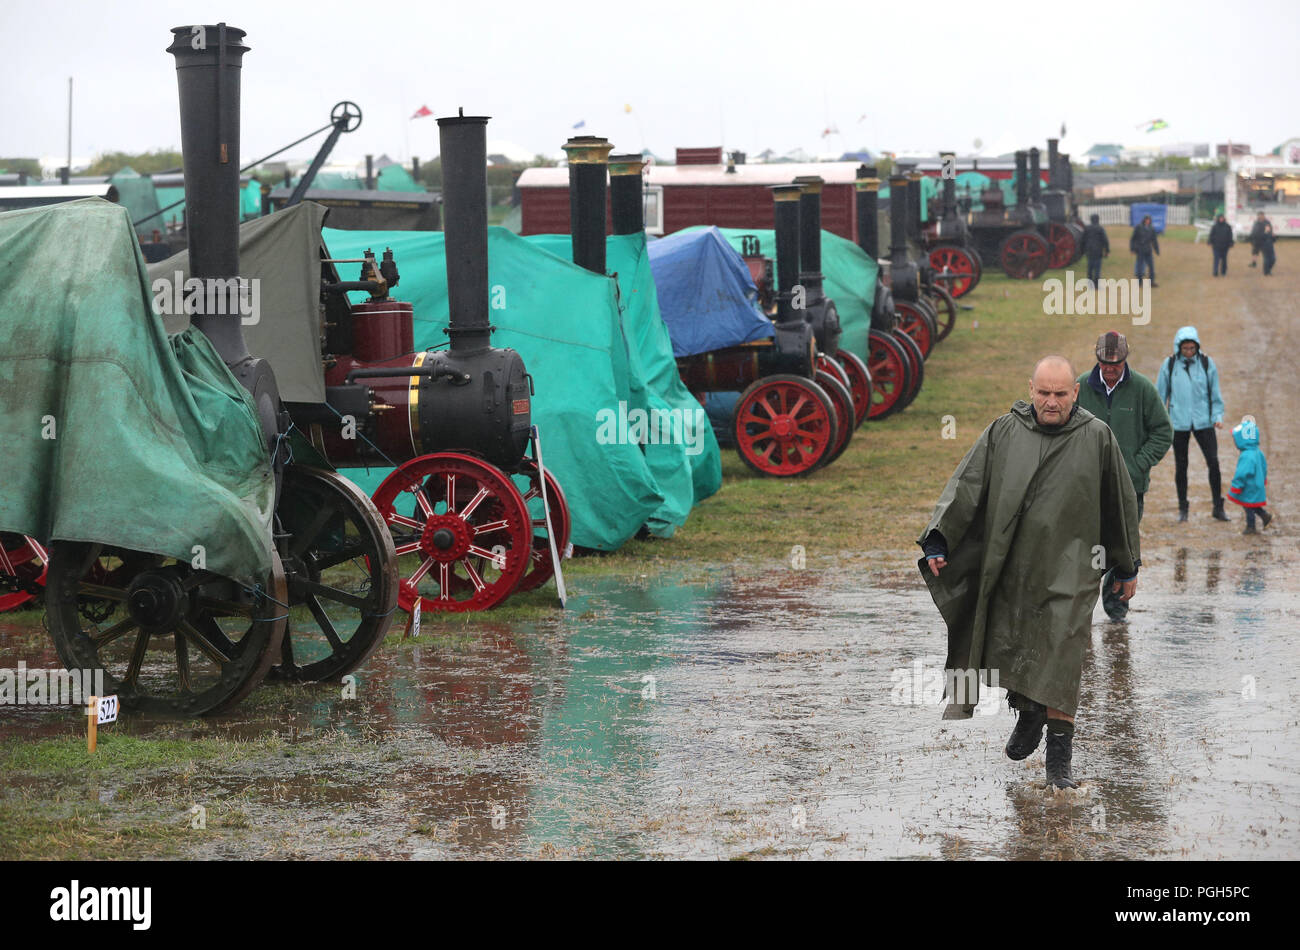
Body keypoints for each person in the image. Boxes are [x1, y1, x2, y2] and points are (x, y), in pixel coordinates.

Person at [918, 356, 1141, 790]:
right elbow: (968, 484)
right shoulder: (1005, 431)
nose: (1051, 402)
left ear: (1075, 392)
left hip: (1072, 572)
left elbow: (1119, 501)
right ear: (1031, 389)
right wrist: (938, 539)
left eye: (1060, 394)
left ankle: (1059, 763)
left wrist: (1127, 565)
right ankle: (1028, 711)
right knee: (1013, 645)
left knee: (1062, 656)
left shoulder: (1097, 437)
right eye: (1044, 393)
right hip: (1014, 566)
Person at [1075, 331, 1172, 619]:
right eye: (1104, 363)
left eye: (1115, 364)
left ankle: (1117, 608)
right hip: (1087, 488)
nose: (1109, 369)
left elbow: (1163, 432)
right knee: (1086, 548)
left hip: (1131, 488)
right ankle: (1081, 610)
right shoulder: (1080, 386)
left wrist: (1136, 465)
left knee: (1122, 547)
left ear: (1125, 361)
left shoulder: (1142, 388)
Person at [1155, 326, 1228, 522]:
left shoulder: (1206, 363)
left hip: (1203, 421)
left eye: (1191, 348)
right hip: (1178, 423)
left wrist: (1217, 416)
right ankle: (1183, 508)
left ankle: (1217, 507)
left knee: (1213, 462)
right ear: (1179, 347)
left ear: (1197, 346)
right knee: (1181, 466)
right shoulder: (1169, 365)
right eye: (1185, 348)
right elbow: (1160, 395)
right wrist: (1158, 422)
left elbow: (1215, 393)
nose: (1189, 352)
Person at [1228, 417, 1272, 534]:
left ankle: (1251, 526)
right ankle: (1264, 516)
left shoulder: (1246, 455)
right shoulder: (1258, 452)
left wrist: (1236, 486)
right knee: (1252, 504)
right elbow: (1264, 468)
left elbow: (1242, 473)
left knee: (1248, 507)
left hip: (1249, 486)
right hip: (1257, 485)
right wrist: (1264, 480)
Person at [1129, 214, 1160, 287]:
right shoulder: (1138, 227)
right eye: (1146, 220)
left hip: (1148, 250)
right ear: (1144, 220)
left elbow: (1154, 240)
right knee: (1139, 266)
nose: (1148, 221)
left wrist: (1156, 249)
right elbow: (1133, 239)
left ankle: (1151, 282)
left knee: (1151, 266)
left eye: (1149, 220)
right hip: (1140, 250)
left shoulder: (1152, 229)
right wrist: (1132, 248)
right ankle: (1139, 282)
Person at [1080, 213, 1109, 286]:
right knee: (1097, 268)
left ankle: (1090, 283)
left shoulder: (1087, 228)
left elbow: (1083, 240)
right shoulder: (1100, 228)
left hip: (1089, 250)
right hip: (1098, 250)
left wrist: (1082, 249)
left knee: (1090, 267)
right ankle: (1096, 284)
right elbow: (1105, 240)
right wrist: (1107, 250)